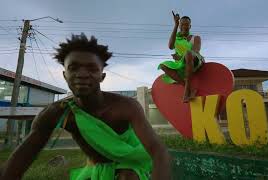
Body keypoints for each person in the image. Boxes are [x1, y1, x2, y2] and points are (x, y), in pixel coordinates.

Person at [0, 34, 171, 180]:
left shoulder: (126, 107)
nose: (82, 74)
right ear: (64, 75)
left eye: (91, 68)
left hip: (134, 166)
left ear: (101, 76)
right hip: (95, 168)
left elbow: (158, 152)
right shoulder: (56, 112)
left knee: (127, 176)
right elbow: (21, 158)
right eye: (73, 68)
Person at [159, 11, 205, 103]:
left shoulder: (196, 38)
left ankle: (186, 91)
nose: (184, 26)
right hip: (181, 64)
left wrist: (180, 56)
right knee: (163, 65)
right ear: (180, 26)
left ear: (190, 26)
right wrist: (175, 25)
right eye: (182, 24)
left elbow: (195, 51)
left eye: (186, 24)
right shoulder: (176, 38)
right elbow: (170, 46)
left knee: (188, 53)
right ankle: (188, 88)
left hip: (195, 61)